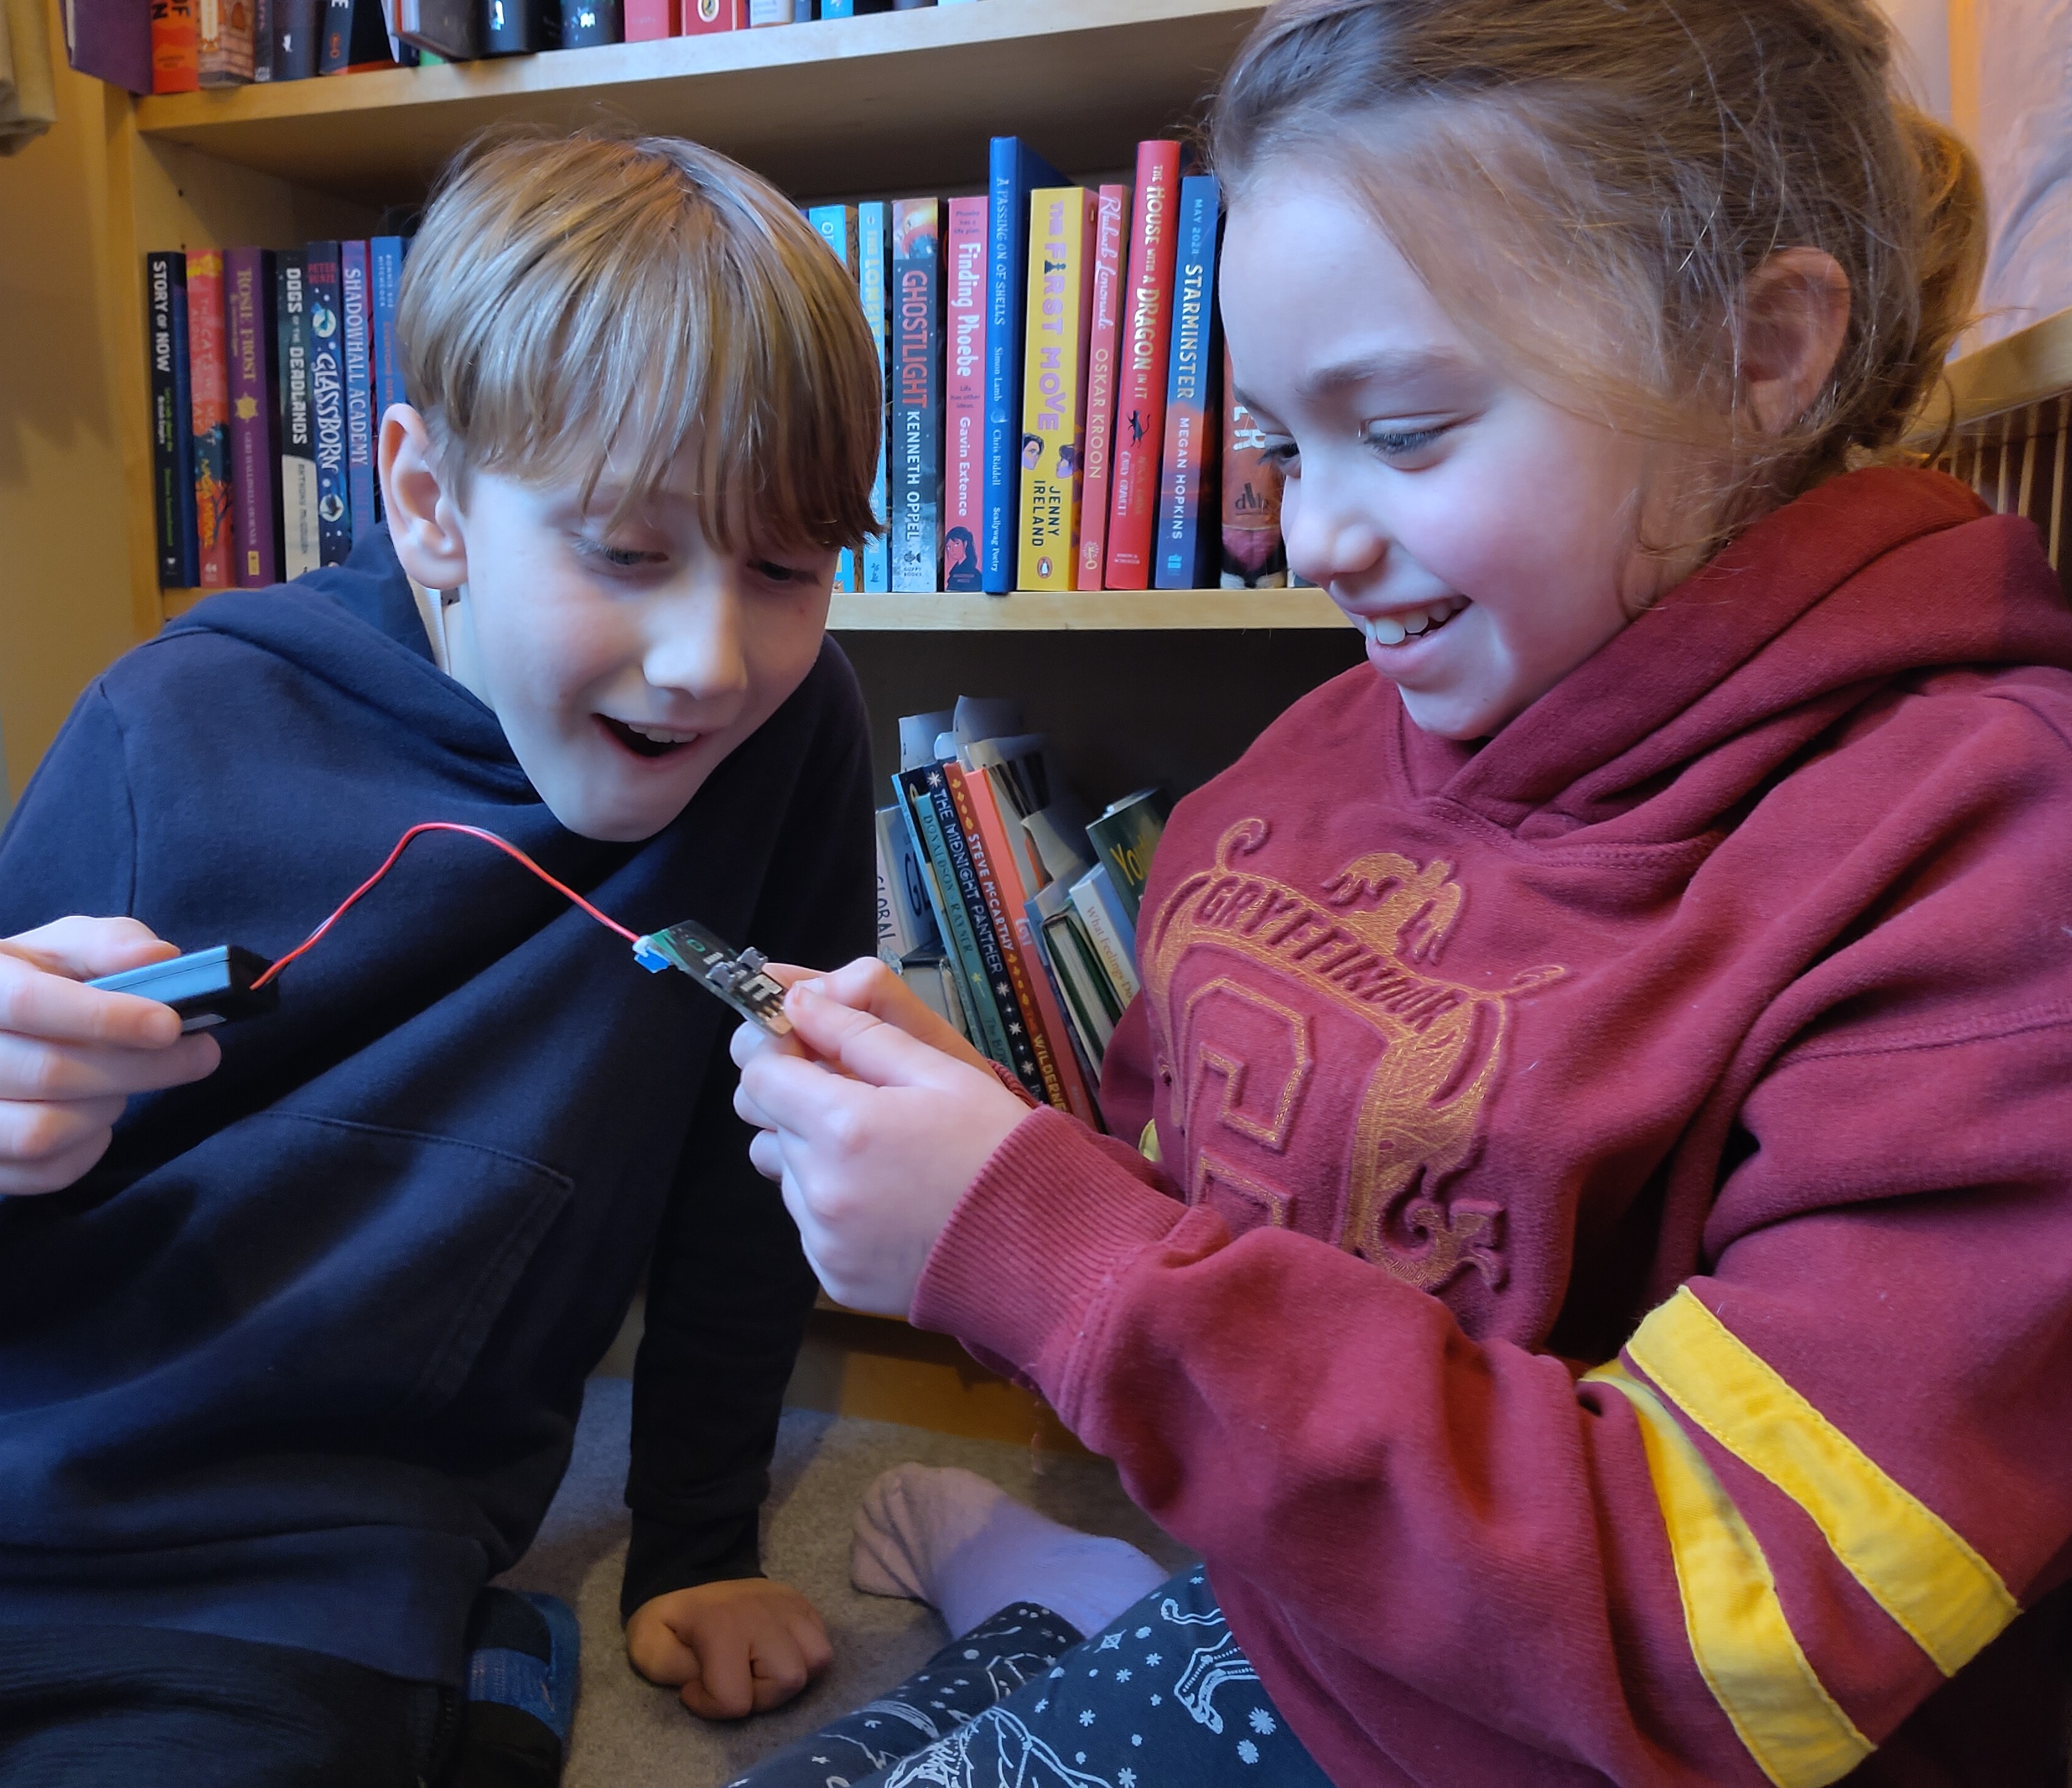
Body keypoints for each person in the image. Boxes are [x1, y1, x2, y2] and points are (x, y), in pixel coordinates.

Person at [730, 1, 2072, 1783]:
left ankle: (1079, 1602)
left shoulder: (1982, 853)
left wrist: (1064, 1261)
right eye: (1283, 448)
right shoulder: (1315, 756)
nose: (1313, 541)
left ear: (1761, 353)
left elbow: (1746, 1625)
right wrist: (1000, 1170)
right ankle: (1099, 1599)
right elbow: (1201, 1191)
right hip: (1318, 1616)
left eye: (1413, 428)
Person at [0, 131, 882, 1786]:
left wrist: (698, 1539)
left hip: (299, 1578)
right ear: (427, 501)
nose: (708, 659)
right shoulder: (170, 720)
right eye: (626, 551)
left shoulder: (794, 739)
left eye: (783, 567)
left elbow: (754, 1159)